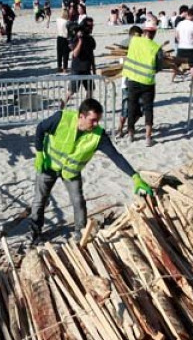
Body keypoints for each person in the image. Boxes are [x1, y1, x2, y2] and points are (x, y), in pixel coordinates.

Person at [29, 98, 153, 245]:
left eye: (98, 121)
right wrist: (39, 154)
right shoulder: (61, 118)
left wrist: (135, 176)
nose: (96, 124)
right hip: (48, 166)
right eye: (93, 120)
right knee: (39, 200)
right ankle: (35, 235)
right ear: (81, 116)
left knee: (78, 201)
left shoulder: (98, 135)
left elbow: (115, 156)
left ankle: (81, 232)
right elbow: (40, 129)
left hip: (70, 172)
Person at [121, 20, 165, 146]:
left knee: (132, 106)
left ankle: (130, 134)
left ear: (144, 31)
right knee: (148, 109)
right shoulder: (156, 48)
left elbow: (123, 43)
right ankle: (147, 137)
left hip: (132, 79)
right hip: (148, 82)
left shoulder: (134, 40)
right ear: (154, 32)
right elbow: (159, 67)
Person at [63, 17, 96, 106]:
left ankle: (85, 107)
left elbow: (91, 55)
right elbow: (75, 54)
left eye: (92, 26)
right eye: (89, 26)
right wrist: (80, 41)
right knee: (71, 91)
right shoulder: (77, 38)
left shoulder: (90, 39)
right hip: (77, 69)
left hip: (86, 69)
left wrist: (94, 69)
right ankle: (62, 106)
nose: (91, 28)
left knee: (90, 90)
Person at [174, 7, 193, 82]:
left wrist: (181, 41)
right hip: (191, 47)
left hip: (181, 46)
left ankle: (172, 78)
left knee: (177, 64)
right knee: (192, 65)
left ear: (187, 14)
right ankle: (192, 80)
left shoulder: (180, 23)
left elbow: (176, 36)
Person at [56, 8, 71, 73]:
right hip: (65, 38)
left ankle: (59, 67)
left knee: (59, 53)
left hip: (59, 37)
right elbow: (68, 32)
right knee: (65, 54)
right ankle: (65, 68)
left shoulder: (58, 20)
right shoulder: (67, 22)